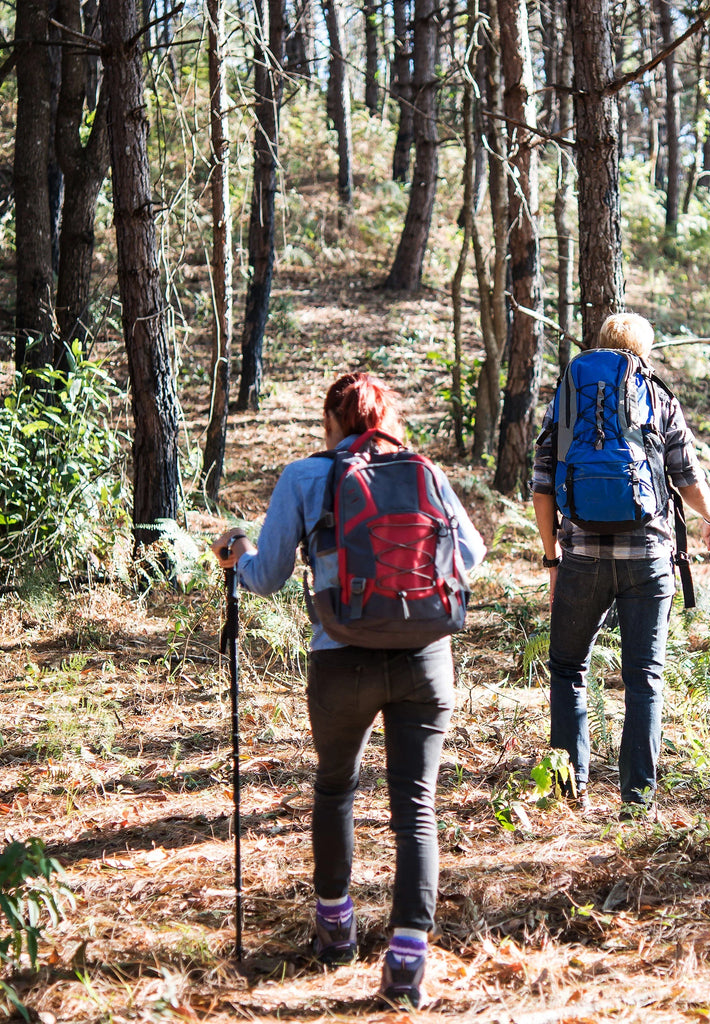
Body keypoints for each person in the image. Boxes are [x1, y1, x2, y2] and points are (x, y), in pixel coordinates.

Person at [213, 372, 485, 1008]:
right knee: (416, 806)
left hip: (341, 657)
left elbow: (269, 576)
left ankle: (335, 929)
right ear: (388, 417)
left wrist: (237, 554)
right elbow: (469, 554)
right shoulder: (426, 472)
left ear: (332, 419)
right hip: (425, 659)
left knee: (336, 787)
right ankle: (407, 961)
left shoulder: (306, 477)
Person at [531, 313, 710, 819]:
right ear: (644, 350)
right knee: (644, 678)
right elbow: (685, 473)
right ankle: (637, 803)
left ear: (599, 348)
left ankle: (567, 795)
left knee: (569, 669)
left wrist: (553, 557)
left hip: (582, 557)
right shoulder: (657, 396)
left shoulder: (570, 395)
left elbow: (542, 482)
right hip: (649, 558)